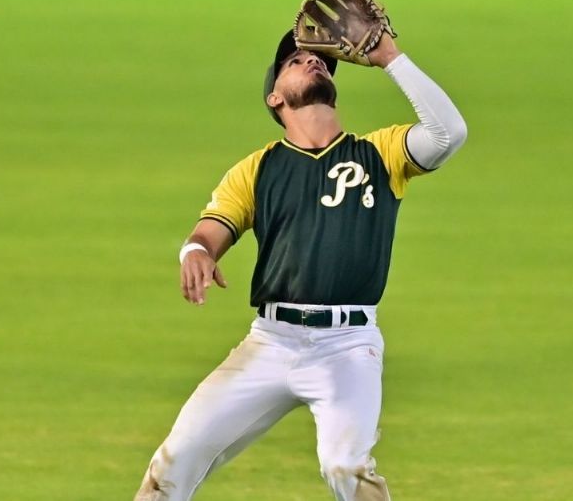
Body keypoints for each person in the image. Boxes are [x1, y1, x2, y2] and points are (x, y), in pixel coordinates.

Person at [134, 28, 467, 501]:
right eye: (295, 61)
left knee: (345, 466)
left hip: (348, 346)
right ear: (275, 97)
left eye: (319, 61)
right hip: (270, 343)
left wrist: (390, 57)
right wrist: (196, 254)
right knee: (174, 460)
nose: (311, 61)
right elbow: (209, 232)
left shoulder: (380, 154)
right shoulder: (257, 168)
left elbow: (449, 133)